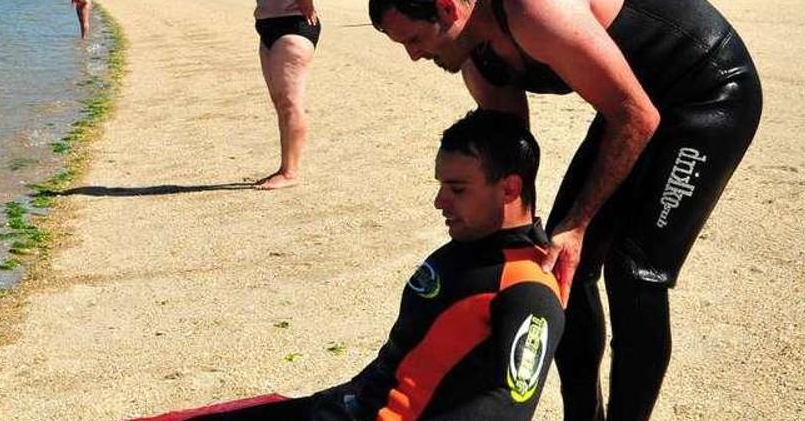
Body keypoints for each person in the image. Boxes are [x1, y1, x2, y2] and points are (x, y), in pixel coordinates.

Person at [367, 0, 763, 421]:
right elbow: (509, 161)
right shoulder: (478, 56)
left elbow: (635, 117)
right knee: (559, 263)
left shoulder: (536, 8)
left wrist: (577, 225)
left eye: (413, 39)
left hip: (708, 95)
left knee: (635, 272)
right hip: (635, 104)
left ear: (449, 8)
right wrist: (509, 243)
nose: (414, 56)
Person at [186, 109, 564, 421]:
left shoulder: (528, 288)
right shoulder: (461, 251)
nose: (439, 201)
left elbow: (509, 405)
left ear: (510, 189)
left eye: (457, 189)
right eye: (441, 186)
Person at [251, 0, 347, 190]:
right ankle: (284, 166)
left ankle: (290, 172)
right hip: (269, 30)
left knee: (290, 100)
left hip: (292, 29)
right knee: (280, 102)